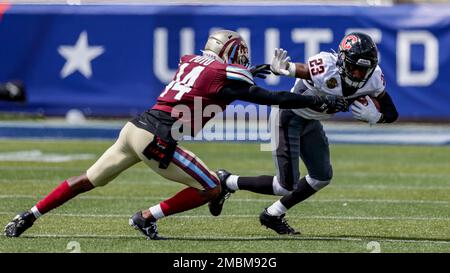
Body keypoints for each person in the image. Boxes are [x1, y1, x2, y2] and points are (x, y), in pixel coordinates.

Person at [4, 30, 348, 240]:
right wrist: (314, 99)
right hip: (157, 139)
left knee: (87, 180)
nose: (244, 60)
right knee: (211, 187)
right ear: (231, 53)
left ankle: (28, 216)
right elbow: (271, 97)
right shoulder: (225, 74)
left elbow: (220, 81)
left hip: (134, 128)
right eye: (241, 55)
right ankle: (146, 217)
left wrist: (252, 72)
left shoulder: (192, 61)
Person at [208, 32, 399, 235]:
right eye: (354, 68)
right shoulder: (327, 66)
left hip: (312, 121)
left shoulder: (374, 79)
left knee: (321, 176)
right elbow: (304, 70)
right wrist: (286, 69)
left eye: (364, 70)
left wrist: (377, 118)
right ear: (342, 60)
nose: (359, 75)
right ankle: (227, 181)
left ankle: (273, 214)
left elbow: (391, 113)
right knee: (284, 186)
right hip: (289, 117)